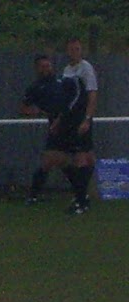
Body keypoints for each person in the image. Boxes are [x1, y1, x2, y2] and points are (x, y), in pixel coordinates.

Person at [54, 37, 99, 215]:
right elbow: (66, 98)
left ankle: (80, 202)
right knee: (78, 158)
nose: (75, 52)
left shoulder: (85, 68)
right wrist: (59, 118)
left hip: (80, 119)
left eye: (78, 49)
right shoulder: (67, 70)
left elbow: (92, 94)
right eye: (71, 49)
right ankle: (82, 196)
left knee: (82, 157)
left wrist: (87, 118)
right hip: (69, 119)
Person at [20, 53, 67, 203]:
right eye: (43, 66)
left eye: (48, 65)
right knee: (50, 160)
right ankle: (33, 195)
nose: (46, 69)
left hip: (69, 122)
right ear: (37, 69)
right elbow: (24, 109)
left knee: (77, 157)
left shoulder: (62, 82)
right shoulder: (35, 88)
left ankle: (81, 193)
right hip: (55, 126)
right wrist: (38, 111)